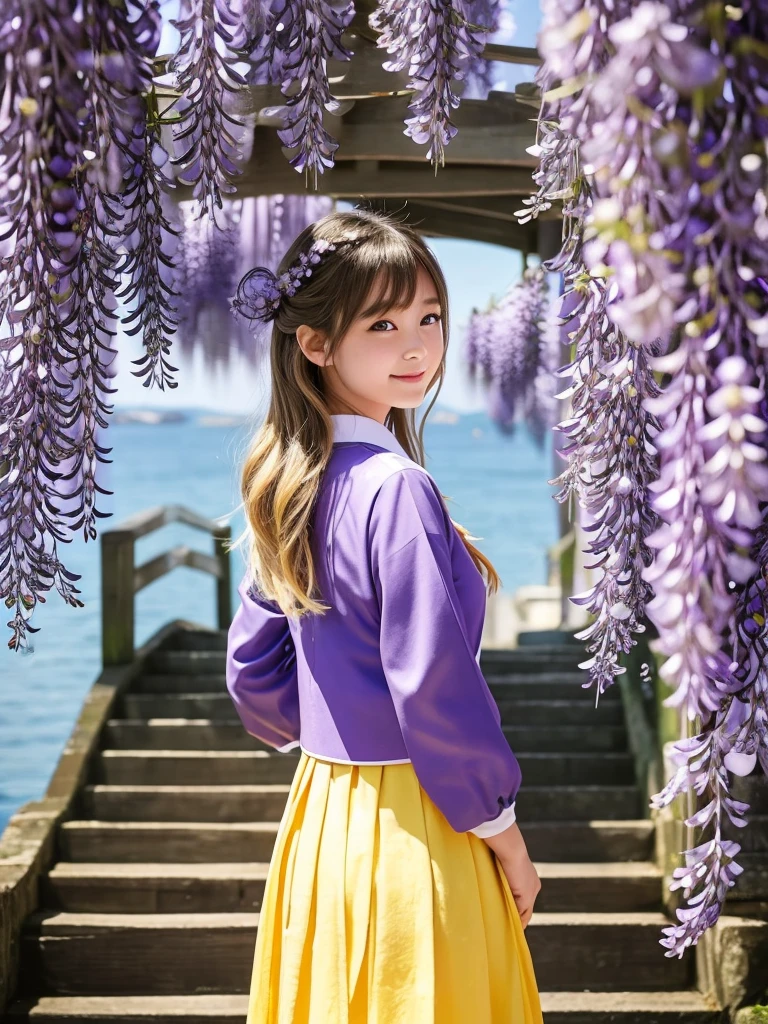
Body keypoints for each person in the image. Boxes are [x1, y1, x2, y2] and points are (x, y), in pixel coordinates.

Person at [225, 205, 543, 1023]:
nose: (417, 346)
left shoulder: (289, 485)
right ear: (315, 342)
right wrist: (503, 832)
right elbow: (433, 685)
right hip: (420, 825)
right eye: (384, 322)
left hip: (325, 818)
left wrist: (340, 724)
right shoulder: (396, 487)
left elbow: (255, 678)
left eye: (430, 318)